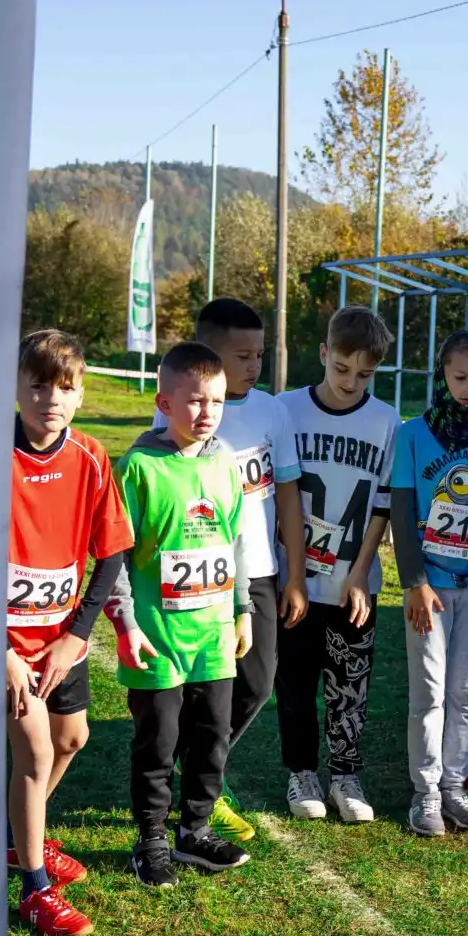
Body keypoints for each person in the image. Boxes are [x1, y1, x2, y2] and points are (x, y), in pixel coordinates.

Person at [151, 297, 306, 845]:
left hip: (257, 571)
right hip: (193, 575)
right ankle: (198, 794)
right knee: (194, 692)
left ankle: (194, 768)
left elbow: (286, 490)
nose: (254, 366)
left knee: (258, 683)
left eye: (260, 355)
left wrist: (295, 572)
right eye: (242, 355)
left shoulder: (273, 410)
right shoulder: (181, 409)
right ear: (209, 356)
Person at [107, 342, 256, 886]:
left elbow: (233, 541)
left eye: (215, 401)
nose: (206, 412)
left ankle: (193, 831)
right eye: (194, 401)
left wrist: (242, 609)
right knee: (158, 741)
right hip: (157, 638)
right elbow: (114, 555)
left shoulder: (223, 463)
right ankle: (150, 839)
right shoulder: (139, 467)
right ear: (164, 403)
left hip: (213, 636)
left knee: (212, 735)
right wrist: (125, 621)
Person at [5, 329, 133, 936]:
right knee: (32, 750)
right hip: (5, 644)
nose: (49, 399)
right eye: (36, 385)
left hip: (60, 638)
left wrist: (77, 635)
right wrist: (1, 652)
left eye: (64, 387)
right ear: (15, 389)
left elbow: (109, 556)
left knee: (71, 739)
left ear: (80, 394)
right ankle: (34, 887)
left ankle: (14, 837)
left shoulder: (89, 457)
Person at [277, 306, 400, 825]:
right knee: (296, 682)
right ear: (324, 355)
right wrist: (296, 576)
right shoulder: (285, 409)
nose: (352, 382)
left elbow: (382, 505)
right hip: (296, 580)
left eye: (365, 374)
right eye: (342, 369)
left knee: (350, 685)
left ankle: (346, 773)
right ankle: (301, 772)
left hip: (354, 580)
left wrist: (359, 574)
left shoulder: (387, 420)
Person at [389, 330, 468, 838]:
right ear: (441, 372)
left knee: (464, 691)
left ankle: (455, 786)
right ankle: (425, 795)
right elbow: (402, 511)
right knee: (430, 691)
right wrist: (414, 582)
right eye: (461, 377)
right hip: (430, 590)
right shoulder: (414, 434)